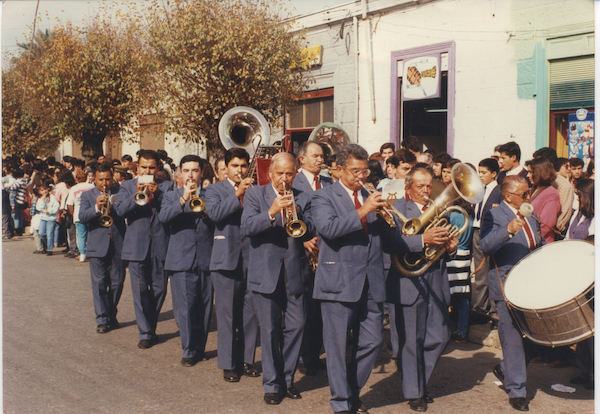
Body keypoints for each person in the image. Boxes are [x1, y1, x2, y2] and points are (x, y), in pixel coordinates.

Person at [311, 143, 396, 414]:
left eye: (365, 171)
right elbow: (328, 228)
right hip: (338, 281)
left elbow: (387, 239)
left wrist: (388, 217)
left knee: (372, 341)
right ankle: (341, 404)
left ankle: (350, 392)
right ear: (339, 170)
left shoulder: (370, 195)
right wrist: (364, 210)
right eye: (355, 171)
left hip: (371, 282)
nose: (362, 176)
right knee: (336, 348)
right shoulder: (324, 197)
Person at [240, 152, 314, 405]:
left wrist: (298, 213)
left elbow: (313, 228)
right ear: (270, 173)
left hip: (295, 271)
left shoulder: (304, 197)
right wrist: (271, 212)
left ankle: (287, 378)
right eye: (279, 173)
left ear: (295, 174)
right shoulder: (255, 195)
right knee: (270, 331)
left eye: (289, 173)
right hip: (266, 273)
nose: (284, 178)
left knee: (298, 326)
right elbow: (246, 227)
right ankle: (272, 384)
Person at [387, 166, 458, 412]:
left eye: (429, 186)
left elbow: (444, 249)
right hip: (408, 282)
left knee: (441, 335)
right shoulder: (397, 211)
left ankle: (417, 379)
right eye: (420, 186)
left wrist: (450, 247)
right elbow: (391, 243)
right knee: (411, 341)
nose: (426, 191)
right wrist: (422, 240)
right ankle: (415, 391)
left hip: (435, 281)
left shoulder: (440, 212)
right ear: (408, 188)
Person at [480, 175, 545, 412]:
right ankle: (517, 390)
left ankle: (507, 370)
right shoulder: (495, 215)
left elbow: (537, 243)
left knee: (539, 334)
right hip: (506, 283)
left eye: (530, 192)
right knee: (513, 338)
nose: (530, 197)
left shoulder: (532, 214)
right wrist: (507, 230)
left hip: (530, 283)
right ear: (508, 196)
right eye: (524, 194)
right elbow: (485, 246)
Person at [204, 147, 259, 383]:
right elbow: (214, 214)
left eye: (243, 166)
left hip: (252, 258)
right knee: (227, 315)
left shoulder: (256, 190)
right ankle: (228, 363)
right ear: (225, 168)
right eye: (235, 166)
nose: (240, 170)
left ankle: (246, 360)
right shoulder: (214, 190)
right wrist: (237, 194)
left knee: (250, 313)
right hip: (226, 259)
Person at [159, 155, 214, 367]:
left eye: (195, 170)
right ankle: (189, 349)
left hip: (206, 257)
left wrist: (206, 207)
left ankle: (200, 347)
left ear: (201, 173)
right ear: (180, 173)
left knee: (205, 307)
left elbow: (217, 219)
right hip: (181, 259)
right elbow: (164, 218)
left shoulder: (211, 194)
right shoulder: (171, 196)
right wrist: (183, 199)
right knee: (186, 307)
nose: (191, 175)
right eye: (187, 171)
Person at [115, 150, 174, 349]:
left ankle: (151, 324)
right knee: (140, 291)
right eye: (143, 167)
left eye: (151, 167)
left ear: (158, 168)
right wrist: (135, 195)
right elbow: (120, 211)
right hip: (136, 245)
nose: (147, 171)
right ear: (136, 168)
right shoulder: (126, 186)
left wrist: (158, 194)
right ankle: (146, 332)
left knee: (159, 289)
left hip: (160, 244)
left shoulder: (167, 186)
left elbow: (172, 210)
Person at [293, 141, 333, 375]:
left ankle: (313, 355)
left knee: (319, 307)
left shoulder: (329, 182)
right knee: (303, 307)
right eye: (315, 156)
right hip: (302, 253)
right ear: (302, 159)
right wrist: (303, 240)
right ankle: (299, 355)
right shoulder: (293, 182)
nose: (320, 159)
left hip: (325, 253)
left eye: (322, 156)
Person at [79, 163, 127, 334]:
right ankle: (102, 319)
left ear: (112, 177)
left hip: (118, 243)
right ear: (95, 179)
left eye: (107, 179)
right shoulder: (87, 195)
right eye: (100, 180)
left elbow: (124, 213)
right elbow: (82, 217)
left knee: (117, 282)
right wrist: (96, 208)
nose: (104, 183)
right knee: (99, 284)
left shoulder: (121, 192)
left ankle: (110, 312)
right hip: (97, 245)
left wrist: (112, 206)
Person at [565, 178, 594, 389]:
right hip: (576, 275)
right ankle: (586, 370)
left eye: (579, 196)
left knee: (593, 327)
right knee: (583, 326)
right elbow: (567, 240)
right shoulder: (578, 215)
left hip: (591, 277)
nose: (577, 200)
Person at [471, 158, 502, 320]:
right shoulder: (479, 189)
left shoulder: (498, 190)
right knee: (480, 271)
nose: (480, 175)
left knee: (490, 271)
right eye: (479, 172)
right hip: (477, 231)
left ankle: (493, 309)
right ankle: (480, 308)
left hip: (489, 233)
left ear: (494, 174)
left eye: (484, 173)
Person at [525, 158, 560, 245]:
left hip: (541, 243)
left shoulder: (552, 194)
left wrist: (530, 239)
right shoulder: (532, 189)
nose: (527, 175)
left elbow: (546, 225)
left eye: (530, 172)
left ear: (540, 173)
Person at [65, 170, 95, 262]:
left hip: (78, 214)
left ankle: (82, 254)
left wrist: (73, 214)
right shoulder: (92, 187)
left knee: (81, 235)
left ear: (76, 179)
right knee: (91, 233)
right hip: (91, 213)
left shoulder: (73, 188)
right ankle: (91, 253)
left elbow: (69, 204)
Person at [36, 181, 60, 256]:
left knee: (50, 234)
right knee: (41, 233)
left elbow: (56, 206)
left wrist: (48, 211)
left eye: (45, 189)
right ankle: (46, 244)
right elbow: (39, 208)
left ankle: (50, 249)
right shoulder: (40, 199)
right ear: (39, 192)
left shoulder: (52, 197)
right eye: (42, 190)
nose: (44, 191)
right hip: (43, 218)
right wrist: (43, 200)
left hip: (51, 218)